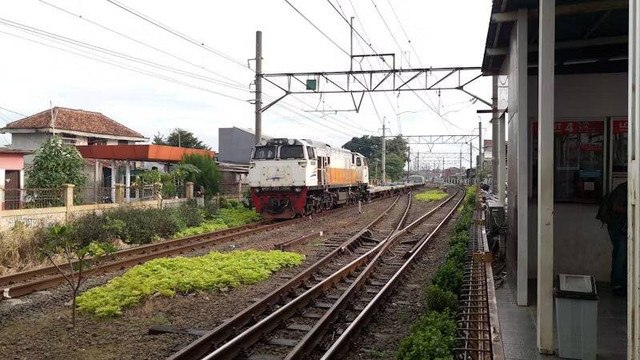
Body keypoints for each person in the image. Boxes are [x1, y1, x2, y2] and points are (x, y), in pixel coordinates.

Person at [597, 181, 627, 295]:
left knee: (622, 255)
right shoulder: (625, 189)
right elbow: (616, 207)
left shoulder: (625, 187)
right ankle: (618, 284)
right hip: (617, 227)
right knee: (621, 255)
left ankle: (621, 283)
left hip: (620, 226)